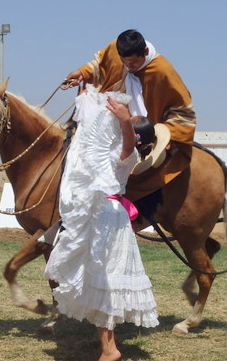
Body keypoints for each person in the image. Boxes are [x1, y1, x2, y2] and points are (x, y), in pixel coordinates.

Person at [44, 85, 159, 361]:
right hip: (100, 214)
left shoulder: (126, 157)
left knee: (102, 280)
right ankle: (108, 347)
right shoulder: (105, 154)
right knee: (97, 281)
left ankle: (110, 349)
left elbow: (128, 144)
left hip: (107, 218)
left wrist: (124, 119)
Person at [65, 29, 196, 201]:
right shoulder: (115, 48)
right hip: (110, 121)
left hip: (140, 132)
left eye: (133, 63)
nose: (128, 67)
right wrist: (82, 73)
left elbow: (183, 110)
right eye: (124, 62)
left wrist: (168, 135)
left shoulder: (163, 71)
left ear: (145, 52)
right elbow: (101, 65)